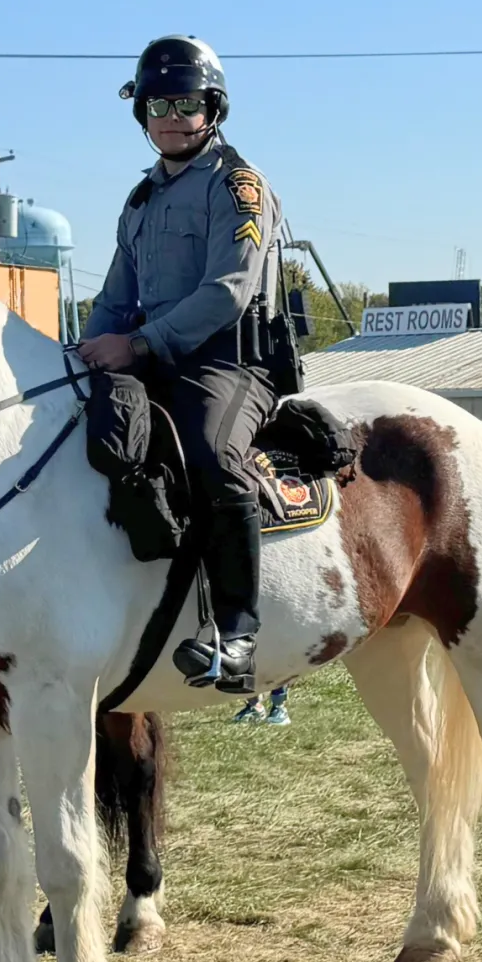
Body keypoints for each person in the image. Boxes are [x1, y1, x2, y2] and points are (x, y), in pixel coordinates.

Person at [78, 37, 283, 695]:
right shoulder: (140, 200)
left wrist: (136, 347)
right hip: (155, 357)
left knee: (211, 455)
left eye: (185, 102)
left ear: (211, 108)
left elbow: (229, 290)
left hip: (228, 363)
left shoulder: (239, 184)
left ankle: (237, 635)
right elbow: (114, 298)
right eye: (158, 102)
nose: (171, 115)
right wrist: (85, 356)